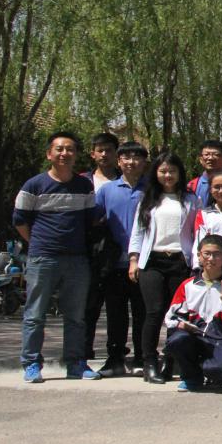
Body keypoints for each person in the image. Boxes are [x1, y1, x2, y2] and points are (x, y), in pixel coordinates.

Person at [14, 131, 100, 383]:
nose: (65, 154)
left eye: (70, 149)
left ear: (76, 154)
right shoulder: (34, 185)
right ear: (49, 154)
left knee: (76, 316)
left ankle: (75, 363)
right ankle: (31, 363)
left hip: (77, 260)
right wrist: (37, 243)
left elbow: (89, 221)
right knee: (35, 314)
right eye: (59, 149)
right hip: (43, 259)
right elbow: (19, 221)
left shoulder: (84, 186)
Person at [128, 151, 202, 384]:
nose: (167, 175)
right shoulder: (148, 198)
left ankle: (170, 362)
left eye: (172, 171)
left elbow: (197, 232)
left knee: (176, 314)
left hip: (180, 261)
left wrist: (196, 263)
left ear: (179, 173)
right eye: (163, 171)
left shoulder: (191, 200)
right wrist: (133, 259)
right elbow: (138, 231)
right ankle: (149, 362)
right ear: (156, 173)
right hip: (152, 261)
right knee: (154, 311)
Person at [86, 140, 148, 376]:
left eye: (137, 158)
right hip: (114, 263)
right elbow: (94, 221)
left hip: (145, 262)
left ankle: (142, 357)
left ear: (144, 162)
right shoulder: (106, 190)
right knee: (115, 314)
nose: (131, 162)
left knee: (143, 313)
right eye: (126, 158)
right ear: (119, 161)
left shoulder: (152, 189)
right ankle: (115, 358)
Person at [163, 234, 222, 391]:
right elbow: (171, 317)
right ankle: (192, 377)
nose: (211, 258)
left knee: (217, 371)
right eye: (207, 254)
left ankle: (214, 370)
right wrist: (183, 324)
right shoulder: (187, 285)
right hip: (195, 336)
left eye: (217, 254)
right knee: (177, 340)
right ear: (199, 256)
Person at [187, 139, 222, 206]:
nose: (210, 158)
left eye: (216, 155)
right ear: (200, 159)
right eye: (206, 154)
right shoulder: (191, 186)